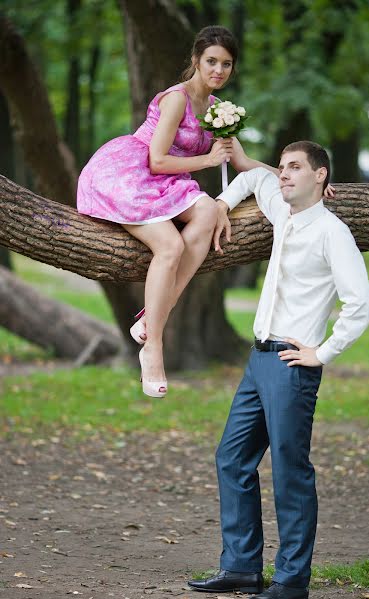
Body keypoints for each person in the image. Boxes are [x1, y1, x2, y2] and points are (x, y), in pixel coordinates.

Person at [188, 141, 369, 599]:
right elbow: (252, 178)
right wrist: (221, 203)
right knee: (232, 458)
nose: (283, 174)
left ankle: (292, 581)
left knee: (290, 471)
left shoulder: (332, 233)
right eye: (283, 166)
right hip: (257, 361)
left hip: (292, 367)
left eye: (294, 168)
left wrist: (322, 353)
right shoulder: (281, 209)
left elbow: (362, 303)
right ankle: (241, 567)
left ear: (321, 176)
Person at [77, 25, 278, 398]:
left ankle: (151, 319)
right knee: (169, 247)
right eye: (211, 62)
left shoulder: (220, 111)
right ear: (196, 61)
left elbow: (244, 162)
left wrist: (295, 177)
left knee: (206, 212)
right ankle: (153, 348)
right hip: (131, 173)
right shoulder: (176, 99)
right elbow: (155, 159)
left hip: (170, 183)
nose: (218, 70)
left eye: (227, 64)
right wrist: (207, 159)